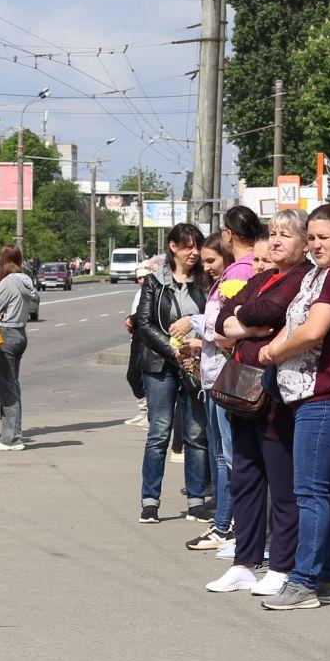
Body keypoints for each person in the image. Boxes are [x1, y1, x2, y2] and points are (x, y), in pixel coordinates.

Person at [257, 204, 330, 611]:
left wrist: (273, 351)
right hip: (318, 395)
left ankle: (304, 581)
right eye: (312, 237)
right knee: (325, 492)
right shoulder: (322, 273)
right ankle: (327, 578)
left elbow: (313, 331)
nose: (317, 244)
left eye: (325, 237)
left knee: (308, 491)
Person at [211, 213, 311, 594]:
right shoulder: (261, 277)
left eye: (285, 234)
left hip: (275, 388)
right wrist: (250, 325)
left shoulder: (302, 278)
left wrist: (246, 320)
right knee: (246, 473)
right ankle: (244, 561)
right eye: (272, 234)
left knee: (280, 478)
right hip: (242, 386)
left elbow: (268, 311)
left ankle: (282, 563)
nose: (275, 241)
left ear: (303, 243)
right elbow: (223, 315)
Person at [177, 233, 258, 553]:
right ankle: (226, 523)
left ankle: (228, 524)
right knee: (221, 455)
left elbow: (227, 332)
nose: (207, 266)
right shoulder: (226, 281)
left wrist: (196, 325)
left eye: (212, 260)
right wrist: (200, 345)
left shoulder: (237, 279)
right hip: (216, 377)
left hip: (231, 379)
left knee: (229, 458)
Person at [132, 224, 212, 522]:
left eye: (197, 246)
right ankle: (150, 501)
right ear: (173, 247)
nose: (194, 252)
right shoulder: (155, 281)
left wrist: (194, 332)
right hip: (160, 364)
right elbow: (145, 322)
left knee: (195, 433)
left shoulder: (204, 281)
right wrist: (171, 349)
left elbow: (212, 316)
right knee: (159, 432)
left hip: (194, 363)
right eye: (188, 246)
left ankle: (196, 500)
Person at [0, 245, 38, 452]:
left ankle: (11, 438)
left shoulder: (8, 282)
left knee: (6, 388)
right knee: (13, 385)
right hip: (21, 334)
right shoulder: (26, 280)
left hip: (7, 334)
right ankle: (10, 433)